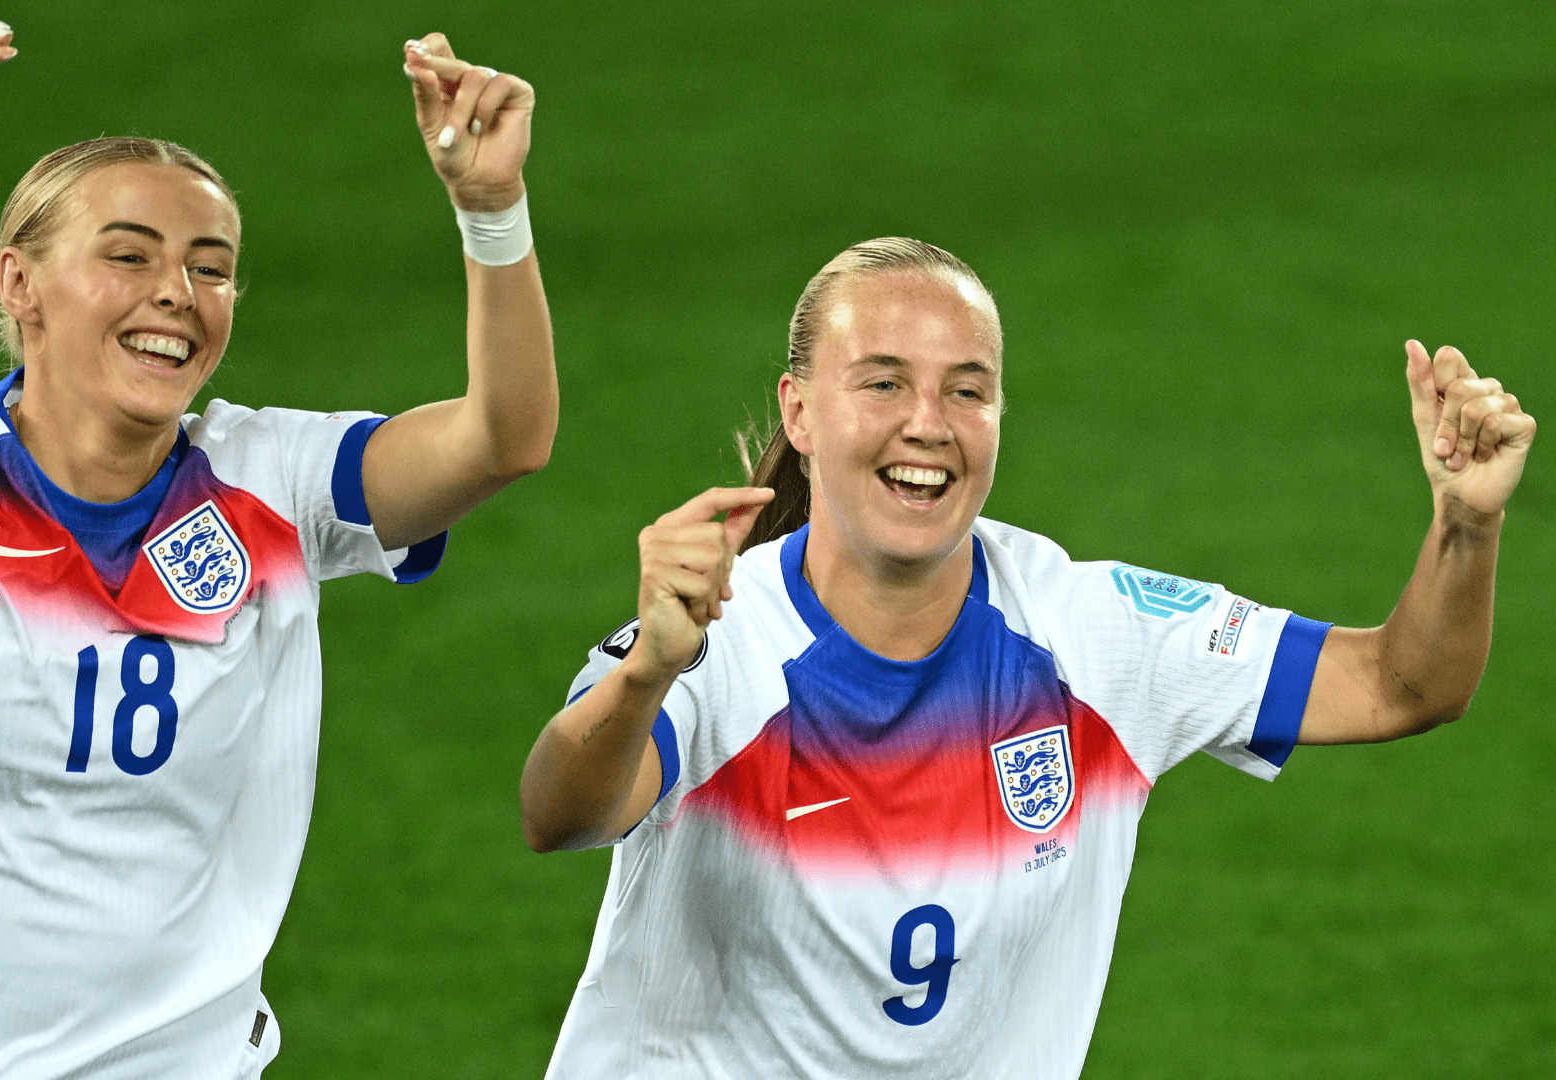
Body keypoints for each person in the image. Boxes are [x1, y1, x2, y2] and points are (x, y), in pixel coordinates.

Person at [0, 8, 553, 1077]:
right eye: (129, 256)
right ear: (20, 283)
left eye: (213, 268)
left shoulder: (273, 483)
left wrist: (491, 210)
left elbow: (505, 437)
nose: (177, 293)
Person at [519, 237, 1533, 1078]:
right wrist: (649, 671)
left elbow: (1405, 684)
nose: (929, 425)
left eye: (967, 391)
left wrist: (1467, 524)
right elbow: (559, 813)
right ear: (799, 411)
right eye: (884, 382)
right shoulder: (716, 638)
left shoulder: (1095, 635)